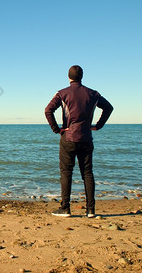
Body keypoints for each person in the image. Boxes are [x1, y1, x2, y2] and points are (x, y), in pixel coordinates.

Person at [45, 65, 113, 218]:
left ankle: (65, 208)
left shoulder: (62, 93)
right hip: (86, 137)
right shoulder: (93, 94)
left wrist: (58, 129)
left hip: (68, 139)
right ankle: (90, 210)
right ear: (81, 77)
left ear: (69, 77)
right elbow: (109, 108)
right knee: (87, 173)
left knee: (66, 173)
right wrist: (98, 126)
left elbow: (48, 110)